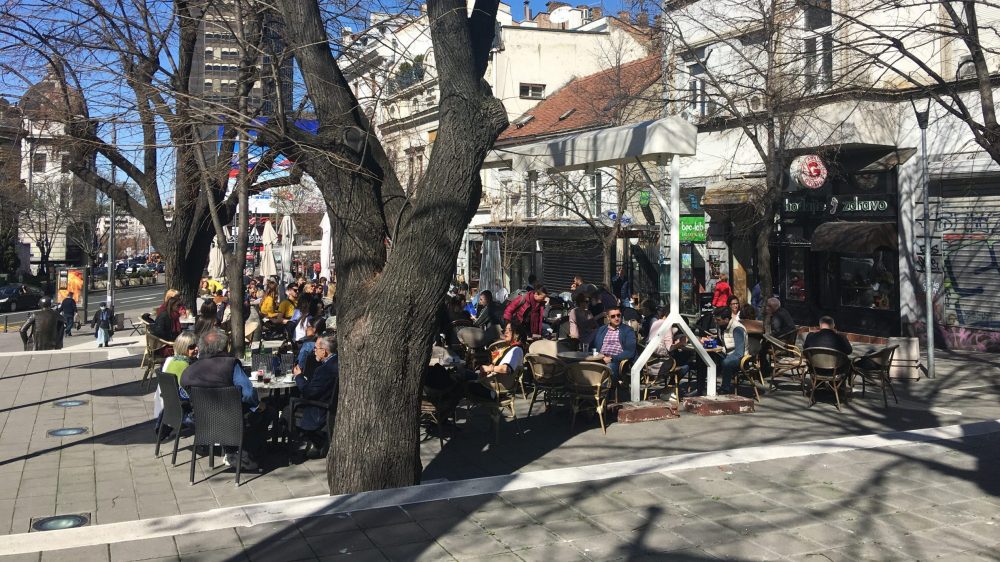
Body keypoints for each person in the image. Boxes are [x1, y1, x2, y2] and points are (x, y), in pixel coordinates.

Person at [181, 329, 265, 469]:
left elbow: (184, 386)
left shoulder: (190, 369)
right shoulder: (230, 364)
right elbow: (248, 393)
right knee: (266, 412)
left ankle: (232, 452)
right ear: (225, 347)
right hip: (233, 420)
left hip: (203, 421)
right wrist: (256, 405)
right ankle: (245, 455)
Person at [292, 334, 339, 458]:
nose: (314, 351)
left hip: (320, 410)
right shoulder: (338, 362)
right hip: (331, 404)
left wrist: (298, 376)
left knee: (287, 411)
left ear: (324, 351)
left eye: (316, 348)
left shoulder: (324, 370)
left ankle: (317, 443)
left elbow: (308, 393)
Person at [468, 324, 525, 399]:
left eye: (510, 330)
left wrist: (489, 368)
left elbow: (506, 369)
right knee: (461, 374)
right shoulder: (512, 348)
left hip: (493, 390)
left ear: (517, 335)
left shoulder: (516, 350)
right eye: (505, 330)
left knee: (461, 378)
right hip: (492, 384)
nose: (506, 332)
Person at [702, 306, 746, 395]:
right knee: (704, 357)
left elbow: (739, 352)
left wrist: (726, 356)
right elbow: (722, 342)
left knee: (726, 362)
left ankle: (725, 389)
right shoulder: (721, 326)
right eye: (715, 319)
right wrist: (710, 341)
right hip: (725, 352)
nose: (715, 322)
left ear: (726, 319)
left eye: (718, 320)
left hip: (738, 356)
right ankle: (702, 387)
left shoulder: (737, 329)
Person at [593, 306, 637, 382]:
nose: (616, 318)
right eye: (613, 316)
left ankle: (608, 388)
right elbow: (594, 346)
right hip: (600, 358)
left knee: (609, 367)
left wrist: (611, 358)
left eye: (618, 315)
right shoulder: (602, 329)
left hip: (616, 361)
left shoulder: (628, 330)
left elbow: (630, 352)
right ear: (608, 318)